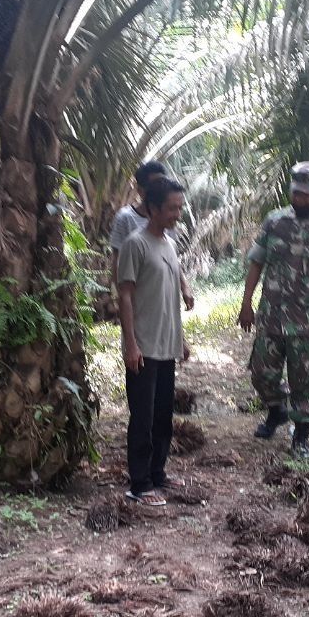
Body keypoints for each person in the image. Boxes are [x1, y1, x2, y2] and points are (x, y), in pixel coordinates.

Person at [238, 161, 309, 457]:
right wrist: (246, 303)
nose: (299, 198)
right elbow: (256, 263)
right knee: (261, 373)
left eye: (305, 193)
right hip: (271, 315)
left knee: (303, 379)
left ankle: (301, 436)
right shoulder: (274, 221)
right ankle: (277, 410)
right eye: (295, 192)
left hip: (304, 320)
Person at [117, 178, 193, 506]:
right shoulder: (135, 244)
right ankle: (140, 484)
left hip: (166, 345)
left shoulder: (169, 244)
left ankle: (158, 473)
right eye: (172, 208)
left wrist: (181, 339)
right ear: (153, 208)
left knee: (163, 415)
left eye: (180, 207)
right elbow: (124, 296)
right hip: (143, 347)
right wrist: (130, 344)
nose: (178, 213)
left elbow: (169, 297)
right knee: (143, 418)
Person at [109, 161, 180, 309]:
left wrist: (184, 287)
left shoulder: (169, 219)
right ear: (140, 191)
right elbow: (117, 261)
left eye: (163, 184)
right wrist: (121, 298)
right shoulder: (125, 219)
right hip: (140, 299)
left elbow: (172, 257)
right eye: (154, 186)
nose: (159, 190)